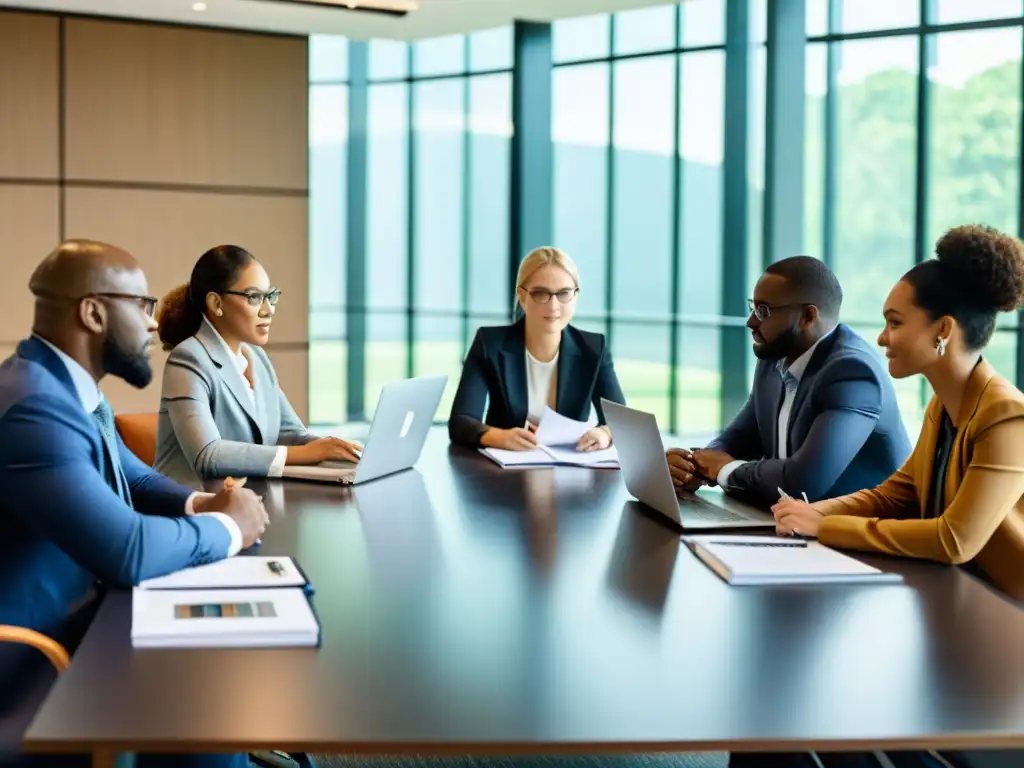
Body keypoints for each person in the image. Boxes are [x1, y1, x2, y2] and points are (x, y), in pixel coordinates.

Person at [749, 225, 1024, 768]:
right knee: (802, 701)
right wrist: (811, 512)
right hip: (949, 612)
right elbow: (894, 494)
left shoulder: (1006, 415)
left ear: (943, 330)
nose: (879, 338)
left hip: (999, 634)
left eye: (894, 323)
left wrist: (822, 526)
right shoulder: (942, 406)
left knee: (831, 697)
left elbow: (954, 539)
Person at [0, 239, 265, 768]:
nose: (152, 323)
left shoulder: (68, 387)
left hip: (90, 611)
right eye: (140, 306)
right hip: (35, 655)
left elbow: (134, 476)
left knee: (220, 670)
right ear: (94, 313)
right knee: (209, 706)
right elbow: (129, 549)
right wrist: (230, 527)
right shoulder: (33, 408)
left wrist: (201, 502)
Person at [668, 256, 911, 509]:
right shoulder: (774, 357)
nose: (751, 321)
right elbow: (740, 437)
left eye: (764, 311)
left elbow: (803, 483)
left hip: (862, 534)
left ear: (807, 316)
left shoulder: (852, 372)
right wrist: (692, 465)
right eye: (752, 307)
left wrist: (722, 470)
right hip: (793, 526)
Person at [154, 245, 361, 485]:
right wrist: (309, 453)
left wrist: (343, 451)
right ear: (216, 303)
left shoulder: (257, 357)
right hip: (185, 506)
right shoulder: (188, 357)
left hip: (246, 499)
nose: (268, 309)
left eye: (270, 296)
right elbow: (207, 455)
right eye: (254, 297)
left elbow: (290, 435)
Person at [448, 246, 625, 452]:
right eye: (541, 293)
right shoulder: (490, 343)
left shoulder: (594, 348)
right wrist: (498, 437)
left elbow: (622, 422)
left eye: (564, 294)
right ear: (522, 297)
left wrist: (604, 433)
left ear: (575, 296)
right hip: (501, 473)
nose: (553, 306)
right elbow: (461, 422)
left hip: (571, 471)